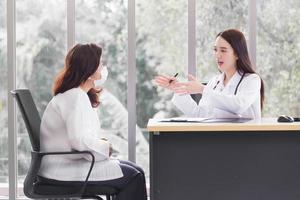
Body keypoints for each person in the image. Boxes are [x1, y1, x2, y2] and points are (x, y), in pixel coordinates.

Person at [38, 43, 147, 200]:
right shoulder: (74, 97)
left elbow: (81, 136)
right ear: (89, 70)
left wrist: (101, 146)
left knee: (136, 171)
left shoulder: (77, 95)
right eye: (100, 64)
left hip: (67, 165)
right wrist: (106, 147)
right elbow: (78, 141)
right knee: (134, 176)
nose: (103, 68)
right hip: (63, 170)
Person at [155, 29, 264, 119]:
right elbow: (199, 115)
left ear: (237, 54)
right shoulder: (215, 82)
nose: (217, 55)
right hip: (217, 140)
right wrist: (177, 89)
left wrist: (203, 89)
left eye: (223, 50)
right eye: (215, 50)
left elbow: (239, 106)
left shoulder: (252, 80)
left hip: (246, 141)